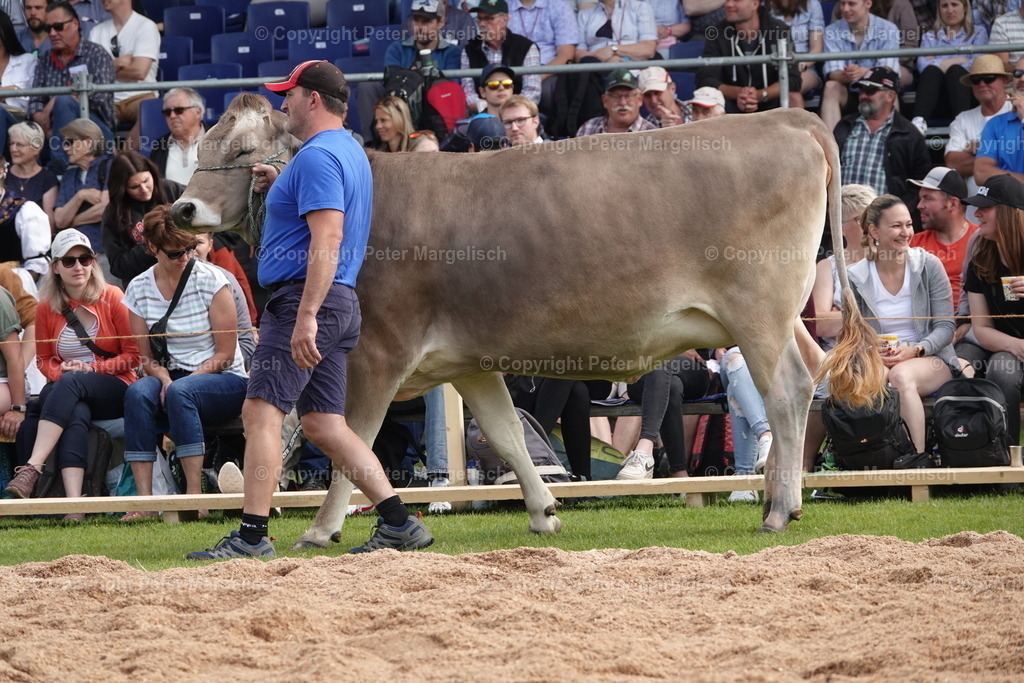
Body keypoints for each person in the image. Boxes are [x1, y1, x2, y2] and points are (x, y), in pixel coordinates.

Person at [189, 60, 433, 559]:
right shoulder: (344, 151)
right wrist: (280, 181)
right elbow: (323, 211)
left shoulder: (318, 158)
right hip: (337, 301)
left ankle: (252, 537)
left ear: (313, 100)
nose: (283, 105)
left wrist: (305, 316)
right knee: (324, 424)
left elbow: (327, 238)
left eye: (289, 95)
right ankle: (400, 523)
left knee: (259, 413)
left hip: (306, 300)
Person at [121, 206, 248, 520]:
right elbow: (146, 358)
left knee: (182, 392)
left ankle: (194, 496)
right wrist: (164, 379)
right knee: (137, 394)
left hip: (224, 379)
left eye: (191, 249)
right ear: (153, 248)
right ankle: (145, 502)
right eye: (177, 252)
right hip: (173, 376)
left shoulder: (213, 279)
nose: (186, 258)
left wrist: (178, 384)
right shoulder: (137, 288)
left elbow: (226, 355)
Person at [3, 229, 138, 513]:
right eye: (69, 261)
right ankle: (75, 504)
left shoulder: (113, 297)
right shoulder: (45, 307)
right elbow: (44, 360)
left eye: (85, 259)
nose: (78, 266)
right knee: (75, 408)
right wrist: (61, 371)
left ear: (93, 262)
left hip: (115, 385)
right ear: (55, 267)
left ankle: (31, 468)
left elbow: (133, 357)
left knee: (71, 385)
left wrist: (91, 368)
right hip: (71, 391)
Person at [846, 194, 958, 454]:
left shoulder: (929, 266)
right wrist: (873, 350)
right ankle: (876, 456)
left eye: (908, 224)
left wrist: (916, 350)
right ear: (874, 231)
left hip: (930, 357)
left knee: (900, 376)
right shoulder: (856, 276)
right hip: (879, 356)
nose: (905, 232)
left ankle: (916, 458)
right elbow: (853, 333)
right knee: (874, 377)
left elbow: (945, 327)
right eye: (896, 226)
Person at [962, 174, 1024, 445]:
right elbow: (982, 328)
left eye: (985, 208)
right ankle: (1006, 458)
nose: (977, 213)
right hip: (1007, 346)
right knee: (1001, 370)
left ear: (1009, 213)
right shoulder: (981, 259)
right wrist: (1017, 345)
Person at [833, 67, 931, 228]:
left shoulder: (910, 134)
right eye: (861, 90)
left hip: (883, 221)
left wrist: (896, 214)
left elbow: (919, 183)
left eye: (870, 90)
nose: (863, 96)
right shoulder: (845, 126)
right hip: (842, 218)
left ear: (890, 96)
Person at [27, 1, 115, 164]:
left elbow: (101, 99)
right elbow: (34, 100)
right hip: (51, 132)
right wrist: (41, 118)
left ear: (75, 24)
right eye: (48, 28)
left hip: (96, 132)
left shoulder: (97, 54)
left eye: (58, 27)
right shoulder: (45, 59)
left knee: (63, 102)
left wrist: (60, 100)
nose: (52, 33)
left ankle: (61, 165)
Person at [697, 0, 802, 111]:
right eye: (726, 0)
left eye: (737, 0)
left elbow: (792, 80)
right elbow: (706, 80)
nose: (728, 4)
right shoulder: (716, 33)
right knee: (705, 101)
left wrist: (760, 95)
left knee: (794, 98)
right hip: (730, 104)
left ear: (755, 3)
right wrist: (740, 93)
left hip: (771, 104)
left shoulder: (779, 30)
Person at [100, 150, 182, 288]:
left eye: (146, 181)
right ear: (123, 188)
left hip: (183, 276)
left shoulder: (172, 190)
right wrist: (154, 242)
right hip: (144, 287)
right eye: (134, 187)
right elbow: (118, 266)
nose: (143, 189)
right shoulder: (114, 213)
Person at [820, 0, 900, 130]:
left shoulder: (889, 29)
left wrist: (864, 73)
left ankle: (893, 143)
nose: (845, 9)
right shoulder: (831, 31)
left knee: (889, 91)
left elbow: (888, 71)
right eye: (843, 3)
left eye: (851, 4)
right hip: (848, 91)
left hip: (877, 91)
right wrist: (847, 74)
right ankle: (832, 146)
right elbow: (833, 72)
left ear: (868, 3)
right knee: (831, 86)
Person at [944, 54, 1013, 199]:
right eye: (976, 80)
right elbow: (953, 163)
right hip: (976, 211)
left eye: (989, 78)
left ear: (1004, 81)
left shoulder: (1019, 110)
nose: (982, 84)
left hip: (1015, 205)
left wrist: (980, 149)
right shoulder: (963, 119)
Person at [910, 166, 977, 307]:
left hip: (971, 322)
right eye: (920, 198)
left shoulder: (981, 241)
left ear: (953, 203)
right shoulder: (913, 244)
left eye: (927, 198)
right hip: (927, 323)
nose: (919, 206)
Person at [913, 0, 988, 125]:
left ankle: (963, 125)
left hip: (967, 96)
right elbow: (922, 66)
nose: (950, 10)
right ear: (939, 10)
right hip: (936, 98)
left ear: (964, 7)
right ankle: (918, 123)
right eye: (944, 6)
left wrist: (939, 62)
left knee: (956, 71)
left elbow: (977, 65)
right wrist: (961, 59)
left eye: (954, 4)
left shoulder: (978, 32)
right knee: (932, 72)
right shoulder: (930, 36)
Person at [87, 0, 159, 130]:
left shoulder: (146, 26)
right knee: (89, 117)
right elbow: (92, 74)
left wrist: (105, 69)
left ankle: (127, 150)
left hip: (140, 95)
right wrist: (117, 63)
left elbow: (139, 72)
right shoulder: (96, 32)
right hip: (107, 99)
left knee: (151, 114)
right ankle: (111, 150)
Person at [460, 1, 541, 112]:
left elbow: (533, 92)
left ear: (505, 20)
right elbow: (468, 92)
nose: (482, 24)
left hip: (519, 114)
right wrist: (490, 110)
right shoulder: (469, 48)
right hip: (484, 116)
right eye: (479, 19)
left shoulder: (526, 47)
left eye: (489, 19)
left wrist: (508, 111)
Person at [193, 231, 255, 369]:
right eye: (185, 243)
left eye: (198, 243)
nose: (191, 249)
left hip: (228, 363)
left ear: (210, 245)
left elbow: (246, 340)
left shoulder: (224, 279)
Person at [507, 0, 578, 114]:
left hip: (546, 71)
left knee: (547, 92)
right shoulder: (503, 4)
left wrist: (535, 77)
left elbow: (566, 54)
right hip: (511, 72)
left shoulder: (559, 6)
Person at [53, 117, 110, 253]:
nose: (65, 148)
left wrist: (73, 221)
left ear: (88, 143)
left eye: (70, 142)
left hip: (105, 252)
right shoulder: (68, 175)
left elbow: (105, 210)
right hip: (74, 256)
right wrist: (80, 196)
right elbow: (60, 220)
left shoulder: (111, 167)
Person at [974, 55, 1024, 186]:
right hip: (1009, 204)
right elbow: (981, 173)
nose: (1022, 78)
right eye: (1018, 73)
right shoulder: (996, 124)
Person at [148, 88, 206, 186]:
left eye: (179, 110)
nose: (172, 116)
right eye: (167, 112)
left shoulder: (219, 141)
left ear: (198, 112)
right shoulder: (159, 146)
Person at [576, 68, 658, 136]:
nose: (622, 103)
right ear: (605, 101)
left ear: (639, 99)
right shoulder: (588, 128)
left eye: (628, 96)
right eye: (616, 96)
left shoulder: (652, 134)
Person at [5, 121, 57, 225]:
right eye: (11, 143)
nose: (13, 149)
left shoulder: (47, 179)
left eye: (19, 145)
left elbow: (50, 225)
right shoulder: (3, 174)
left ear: (36, 149)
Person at [770, 0, 824, 96]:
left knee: (791, 90)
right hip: (773, 65)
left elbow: (816, 49)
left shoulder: (812, 4)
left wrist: (797, 67)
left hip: (804, 67)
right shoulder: (765, 5)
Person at [575, 0, 657, 63]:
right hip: (596, 69)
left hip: (632, 66)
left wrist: (613, 50)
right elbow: (578, 53)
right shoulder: (584, 15)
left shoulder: (640, 8)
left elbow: (648, 49)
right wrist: (603, 58)